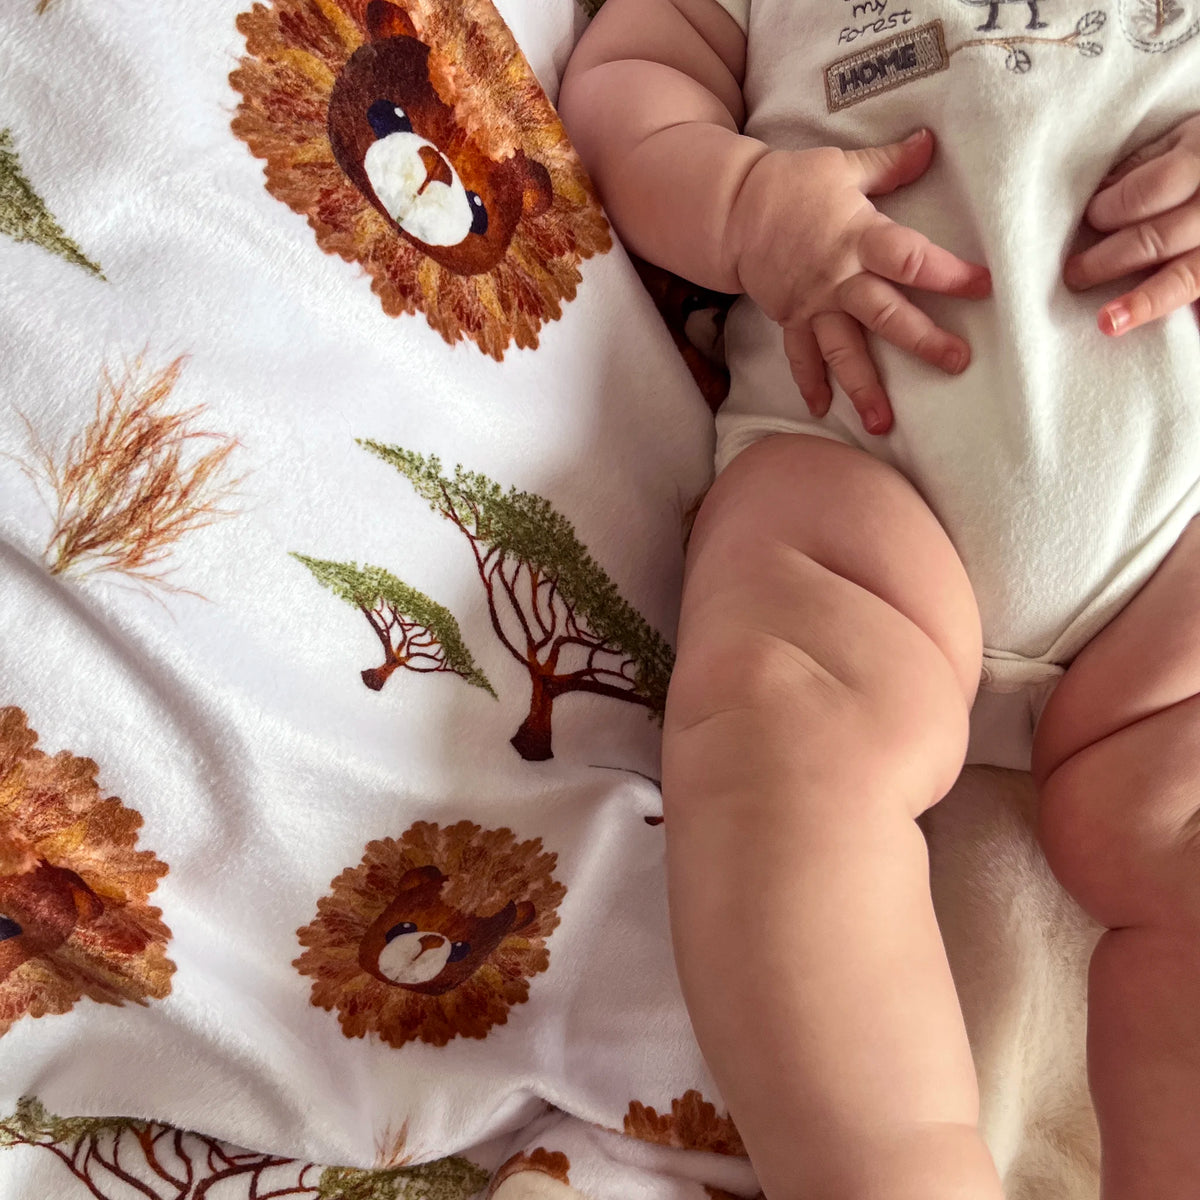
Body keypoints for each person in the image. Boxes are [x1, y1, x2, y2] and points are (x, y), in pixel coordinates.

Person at [557, 2, 1200, 1196]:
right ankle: (889, 1169)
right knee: (775, 727)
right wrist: (742, 204)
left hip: (1177, 523)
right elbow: (632, 78)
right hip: (855, 476)